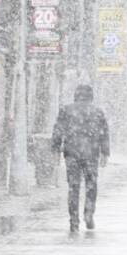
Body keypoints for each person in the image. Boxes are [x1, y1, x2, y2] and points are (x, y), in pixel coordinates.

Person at [51, 85, 110, 233]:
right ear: (91, 96)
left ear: (76, 95)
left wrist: (56, 150)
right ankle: (89, 213)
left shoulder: (66, 110)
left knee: (73, 187)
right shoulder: (97, 112)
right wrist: (105, 153)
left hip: (72, 153)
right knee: (91, 185)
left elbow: (58, 130)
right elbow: (104, 133)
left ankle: (74, 220)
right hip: (91, 153)